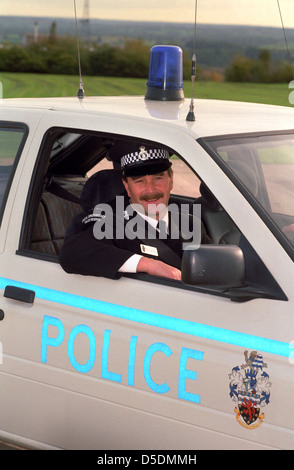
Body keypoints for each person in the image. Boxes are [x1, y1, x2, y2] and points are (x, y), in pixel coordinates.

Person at [59, 142, 211, 280]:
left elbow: (217, 267)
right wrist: (149, 265)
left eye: (158, 178)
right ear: (126, 186)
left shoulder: (191, 224)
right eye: (139, 181)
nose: (150, 190)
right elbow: (72, 253)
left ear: (171, 179)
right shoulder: (111, 223)